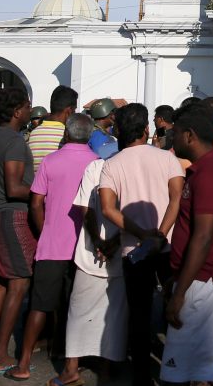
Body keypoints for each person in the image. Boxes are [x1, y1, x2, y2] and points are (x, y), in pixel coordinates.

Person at [5, 113, 99, 381]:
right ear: (89, 135)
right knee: (76, 307)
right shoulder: (96, 162)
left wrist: (44, 228)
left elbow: (36, 202)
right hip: (84, 247)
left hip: (52, 244)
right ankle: (71, 361)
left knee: (40, 304)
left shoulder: (51, 160)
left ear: (66, 134)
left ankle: (23, 363)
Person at [99, 103, 184, 386]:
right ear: (147, 128)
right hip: (167, 245)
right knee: (176, 307)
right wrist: (160, 233)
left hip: (133, 249)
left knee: (139, 314)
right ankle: (178, 369)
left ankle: (141, 377)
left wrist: (141, 233)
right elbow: (176, 198)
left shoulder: (112, 164)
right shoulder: (167, 158)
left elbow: (109, 209)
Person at [162, 107, 213, 386]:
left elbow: (203, 236)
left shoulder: (209, 173)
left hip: (203, 280)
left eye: (175, 134)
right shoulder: (203, 170)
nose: (171, 140)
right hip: (206, 278)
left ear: (190, 135)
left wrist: (180, 291)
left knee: (181, 372)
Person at [55, 144, 128, 386]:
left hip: (91, 253)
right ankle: (104, 371)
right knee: (113, 315)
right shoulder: (127, 168)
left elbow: (87, 211)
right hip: (117, 253)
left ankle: (71, 368)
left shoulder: (95, 167)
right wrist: (113, 243)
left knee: (79, 312)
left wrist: (98, 241)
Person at [0, 88, 38, 374]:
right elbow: (15, 188)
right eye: (27, 106)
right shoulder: (13, 141)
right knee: (18, 284)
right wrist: (42, 192)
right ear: (17, 111)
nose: (30, 111)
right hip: (14, 216)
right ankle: (0, 355)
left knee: (2, 283)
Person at [28, 85, 78, 163]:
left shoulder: (34, 133)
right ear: (69, 111)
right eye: (74, 110)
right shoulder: (67, 135)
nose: (74, 114)